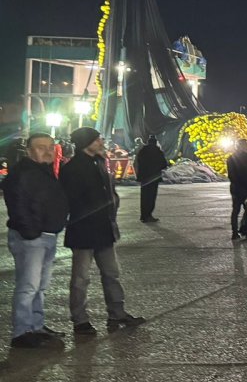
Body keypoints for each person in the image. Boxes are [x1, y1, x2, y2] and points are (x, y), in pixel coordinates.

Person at [62, 127, 145, 335]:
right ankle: (80, 320)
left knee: (111, 274)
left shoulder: (100, 162)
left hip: (104, 229)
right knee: (81, 278)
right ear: (86, 143)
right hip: (83, 231)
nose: (101, 142)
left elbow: (109, 193)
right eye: (97, 140)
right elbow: (70, 200)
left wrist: (112, 209)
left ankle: (117, 312)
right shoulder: (72, 168)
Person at [2, 133, 70, 348]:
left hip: (47, 235)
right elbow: (19, 206)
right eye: (41, 147)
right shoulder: (23, 173)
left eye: (50, 147)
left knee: (40, 286)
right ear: (29, 151)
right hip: (32, 238)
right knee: (28, 286)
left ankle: (36, 325)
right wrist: (31, 232)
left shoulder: (43, 171)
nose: (47, 151)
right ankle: (22, 331)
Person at [133, 135, 168, 223]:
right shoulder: (158, 151)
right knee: (151, 197)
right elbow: (164, 164)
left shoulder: (142, 151)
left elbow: (137, 162)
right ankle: (149, 215)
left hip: (144, 178)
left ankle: (143, 215)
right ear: (155, 142)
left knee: (144, 197)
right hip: (154, 179)